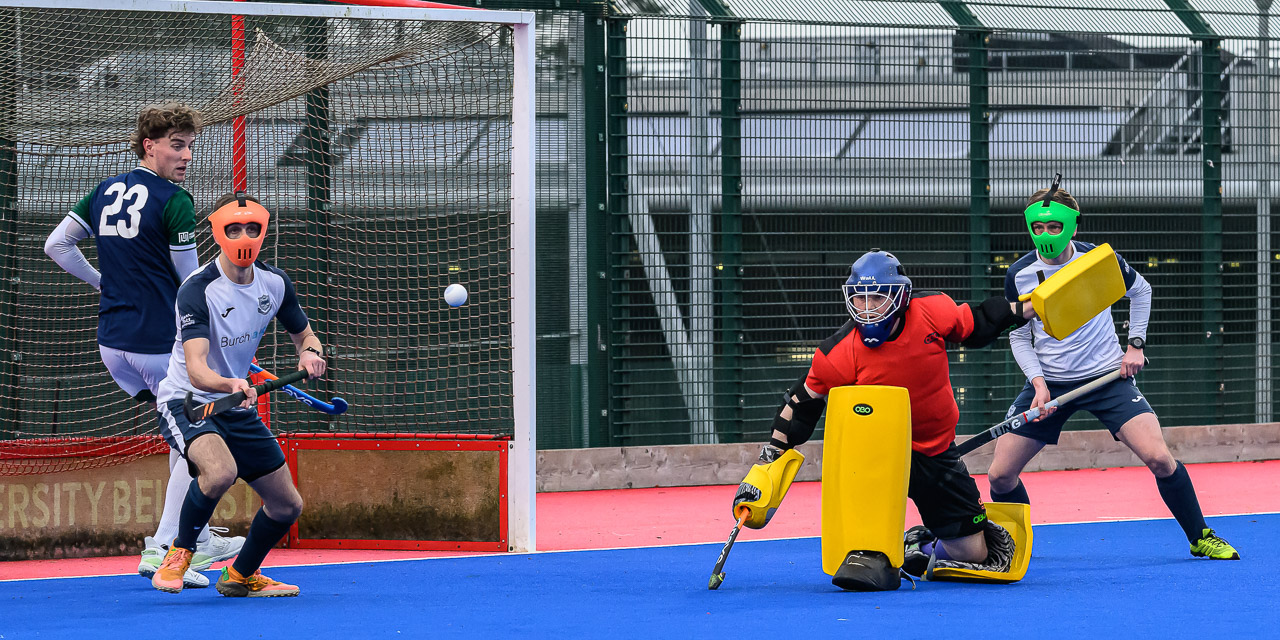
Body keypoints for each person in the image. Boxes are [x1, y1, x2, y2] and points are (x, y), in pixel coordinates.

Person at [734, 249, 1037, 590]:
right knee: (868, 560)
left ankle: (919, 544)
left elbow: (981, 321)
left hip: (935, 452)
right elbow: (802, 403)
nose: (867, 307)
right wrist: (766, 464)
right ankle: (874, 549)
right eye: (859, 298)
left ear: (901, 296)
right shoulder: (837, 352)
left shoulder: (933, 311)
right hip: (873, 459)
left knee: (974, 553)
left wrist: (1037, 305)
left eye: (877, 296)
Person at [42, 102, 242, 587]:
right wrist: (227, 337)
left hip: (113, 346)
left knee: (181, 434)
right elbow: (192, 281)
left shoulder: (103, 189)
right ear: (148, 144)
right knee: (196, 437)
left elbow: (56, 246)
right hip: (156, 342)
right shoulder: (175, 199)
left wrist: (101, 283)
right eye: (177, 145)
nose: (187, 155)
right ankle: (169, 546)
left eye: (190, 146)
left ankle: (184, 538)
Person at [991, 179, 1238, 560]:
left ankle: (1200, 535)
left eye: (1053, 226)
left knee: (1158, 457)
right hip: (1051, 386)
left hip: (1109, 379)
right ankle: (1015, 545)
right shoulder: (1019, 275)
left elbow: (1142, 290)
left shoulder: (1098, 260)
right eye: (1037, 227)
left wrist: (1135, 345)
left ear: (1071, 225)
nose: (1045, 234)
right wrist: (1038, 384)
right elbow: (1019, 337)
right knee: (999, 475)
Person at [151, 192, 325, 597]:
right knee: (221, 471)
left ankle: (240, 576)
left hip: (236, 405)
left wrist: (312, 353)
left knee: (286, 506)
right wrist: (231, 384)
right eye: (233, 228)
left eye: (252, 228)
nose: (243, 236)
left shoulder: (276, 283)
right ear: (218, 232)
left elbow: (304, 334)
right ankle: (178, 554)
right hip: (189, 401)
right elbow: (196, 365)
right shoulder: (198, 290)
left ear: (262, 232)